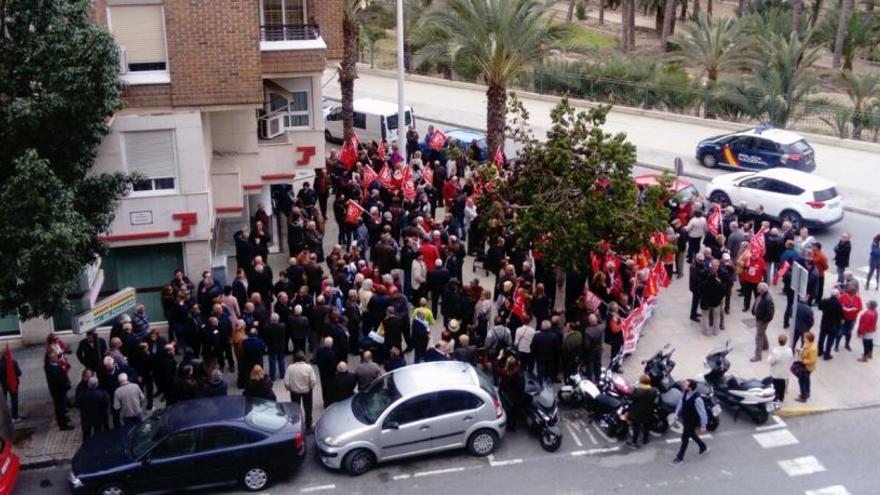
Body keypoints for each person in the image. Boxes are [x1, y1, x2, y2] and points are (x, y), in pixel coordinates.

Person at [672, 379, 709, 464]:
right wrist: (676, 413)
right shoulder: (685, 392)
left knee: (685, 438)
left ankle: (679, 457)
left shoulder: (697, 399)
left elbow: (702, 412)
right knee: (691, 434)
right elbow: (681, 402)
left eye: (686, 384)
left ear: (690, 387)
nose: (683, 384)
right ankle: (703, 447)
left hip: (692, 421)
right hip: (686, 418)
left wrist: (704, 425)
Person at [284, 352, 317, 431]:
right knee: (308, 408)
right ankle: (308, 426)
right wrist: (310, 388)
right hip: (307, 392)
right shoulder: (308, 367)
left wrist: (289, 388)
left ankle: (296, 426)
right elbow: (313, 381)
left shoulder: (290, 368)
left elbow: (286, 382)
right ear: (304, 358)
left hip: (294, 392)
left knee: (295, 409)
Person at [626, 375, 659, 449]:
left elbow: (631, 398)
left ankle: (634, 442)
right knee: (646, 426)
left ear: (641, 382)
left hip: (637, 413)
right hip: (648, 412)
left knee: (636, 426)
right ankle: (645, 439)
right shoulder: (654, 390)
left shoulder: (637, 391)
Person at [45, 352, 74, 430]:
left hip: (60, 391)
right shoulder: (52, 369)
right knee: (60, 409)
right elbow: (59, 381)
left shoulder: (54, 366)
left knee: (62, 408)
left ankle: (64, 420)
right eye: (54, 357)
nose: (56, 358)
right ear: (51, 359)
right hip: (58, 392)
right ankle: (63, 425)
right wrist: (67, 386)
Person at [76, 376, 109, 441]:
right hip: (98, 416)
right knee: (98, 431)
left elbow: (78, 404)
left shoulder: (82, 394)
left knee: (86, 433)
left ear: (88, 384)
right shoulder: (101, 394)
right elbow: (105, 405)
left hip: (86, 416)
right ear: (97, 384)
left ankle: (86, 446)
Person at [817, 290, 843, 359]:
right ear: (837, 295)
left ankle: (819, 351)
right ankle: (827, 354)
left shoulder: (825, 301)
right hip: (833, 325)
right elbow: (841, 316)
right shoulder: (838, 304)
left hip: (824, 323)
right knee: (830, 341)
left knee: (821, 338)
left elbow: (819, 307)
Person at [751, 283, 774, 361]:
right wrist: (754, 310)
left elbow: (770, 314)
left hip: (762, 321)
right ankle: (766, 346)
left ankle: (758, 356)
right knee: (762, 332)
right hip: (759, 319)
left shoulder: (767, 299)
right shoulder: (761, 295)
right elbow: (757, 302)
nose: (757, 288)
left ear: (762, 290)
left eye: (758, 288)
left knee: (758, 337)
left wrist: (764, 321)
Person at [767, 334, 794, 402]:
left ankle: (775, 398)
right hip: (784, 371)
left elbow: (771, 361)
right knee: (782, 384)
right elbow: (791, 358)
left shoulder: (776, 351)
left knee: (775, 385)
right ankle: (781, 397)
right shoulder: (789, 350)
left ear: (778, 341)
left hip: (776, 372)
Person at [837, 284, 863, 352]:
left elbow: (860, 307)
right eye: (852, 293)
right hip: (843, 318)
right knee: (840, 332)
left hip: (852, 318)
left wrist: (855, 309)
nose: (854, 295)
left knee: (849, 332)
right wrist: (843, 308)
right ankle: (836, 345)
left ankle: (847, 344)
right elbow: (837, 305)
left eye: (855, 293)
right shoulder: (843, 297)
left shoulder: (858, 298)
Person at [262, 313, 287, 381]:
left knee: (272, 361)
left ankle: (272, 376)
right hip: (280, 346)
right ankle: (282, 374)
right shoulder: (282, 326)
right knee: (281, 360)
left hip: (271, 347)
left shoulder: (267, 328)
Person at [795, 332, 818, 403]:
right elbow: (805, 350)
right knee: (807, 380)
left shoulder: (813, 349)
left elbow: (812, 360)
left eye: (805, 338)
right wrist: (801, 350)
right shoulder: (808, 344)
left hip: (807, 367)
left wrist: (803, 361)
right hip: (806, 366)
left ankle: (803, 397)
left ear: (808, 339)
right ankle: (807, 393)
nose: (803, 338)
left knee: (802, 381)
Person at [0, 350, 21, 424]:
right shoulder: (13, 362)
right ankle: (15, 416)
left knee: (4, 401)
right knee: (14, 400)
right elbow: (19, 373)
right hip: (12, 384)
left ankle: (5, 418)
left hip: (3, 385)